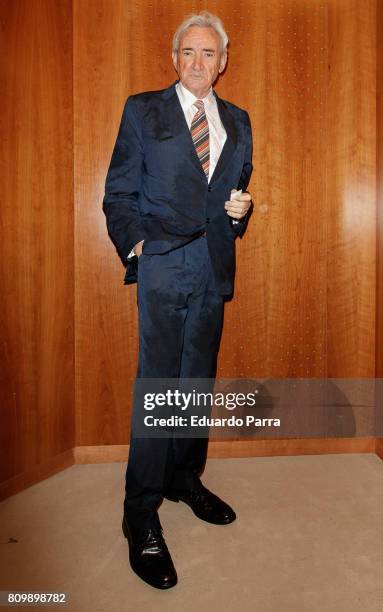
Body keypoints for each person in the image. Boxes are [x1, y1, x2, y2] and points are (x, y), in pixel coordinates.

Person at [103, 10, 253, 590]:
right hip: (164, 263)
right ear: (175, 59)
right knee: (159, 383)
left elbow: (234, 192)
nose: (198, 63)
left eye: (209, 54)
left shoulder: (237, 120)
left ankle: (185, 478)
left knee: (197, 381)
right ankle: (139, 509)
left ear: (223, 62)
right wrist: (140, 245)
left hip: (213, 265)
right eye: (188, 53)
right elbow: (119, 190)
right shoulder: (144, 110)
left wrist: (240, 213)